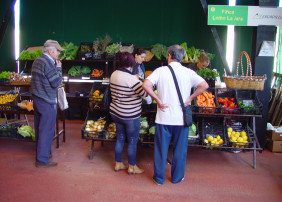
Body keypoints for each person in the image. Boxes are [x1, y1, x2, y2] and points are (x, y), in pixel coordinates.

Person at [142, 45, 208, 185]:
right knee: (179, 150)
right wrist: (189, 99)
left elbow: (146, 85)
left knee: (160, 150)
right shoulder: (188, 72)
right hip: (181, 119)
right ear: (181, 56)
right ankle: (177, 178)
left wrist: (158, 100)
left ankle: (159, 179)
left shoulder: (160, 71)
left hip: (163, 118)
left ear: (170, 55)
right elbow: (204, 85)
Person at [109, 52, 148, 175]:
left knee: (120, 138)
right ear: (131, 62)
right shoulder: (132, 79)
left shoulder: (114, 74)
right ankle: (132, 167)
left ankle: (118, 163)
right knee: (132, 140)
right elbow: (145, 95)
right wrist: (140, 82)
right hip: (130, 115)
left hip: (115, 112)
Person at [31, 39, 64, 168]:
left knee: (40, 128)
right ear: (50, 51)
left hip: (37, 98)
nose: (58, 55)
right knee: (47, 130)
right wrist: (59, 69)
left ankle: (42, 153)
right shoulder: (49, 63)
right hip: (46, 100)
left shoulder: (37, 60)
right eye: (57, 52)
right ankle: (42, 160)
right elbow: (55, 82)